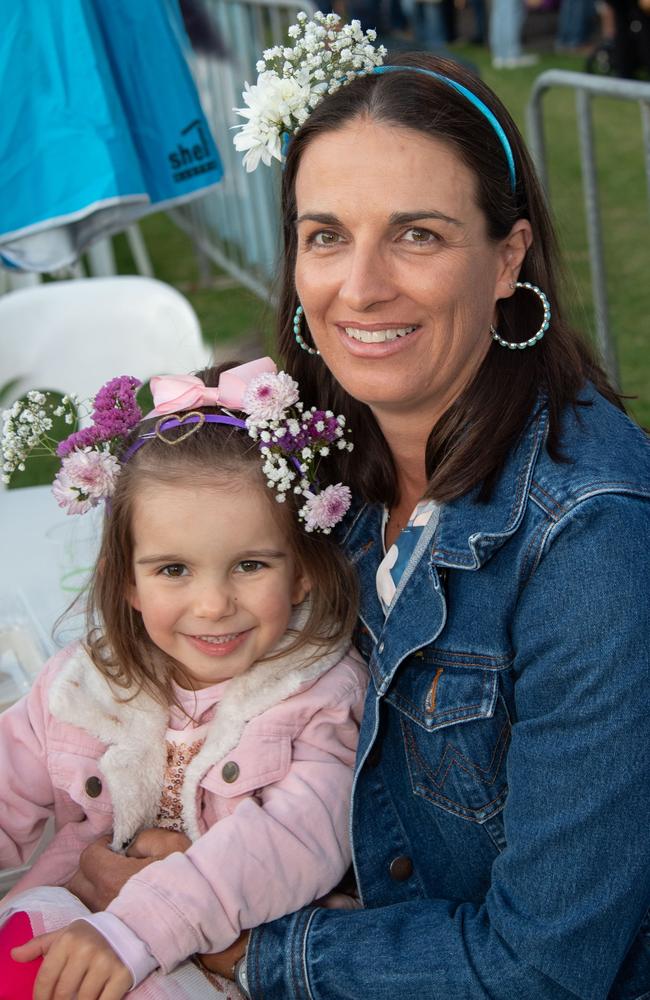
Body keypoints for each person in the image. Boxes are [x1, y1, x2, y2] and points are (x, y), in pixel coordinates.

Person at [49, 14, 650, 997]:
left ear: (506, 260)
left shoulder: (590, 540)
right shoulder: (312, 452)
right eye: (325, 236)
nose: (359, 288)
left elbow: (543, 968)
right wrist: (189, 844)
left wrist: (244, 945)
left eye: (417, 234)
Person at [0, 360, 366, 999]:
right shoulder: (82, 688)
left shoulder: (318, 696)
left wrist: (139, 929)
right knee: (26, 943)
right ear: (127, 582)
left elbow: (298, 838)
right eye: (173, 570)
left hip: (228, 966)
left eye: (249, 565)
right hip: (83, 927)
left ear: (303, 572)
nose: (213, 605)